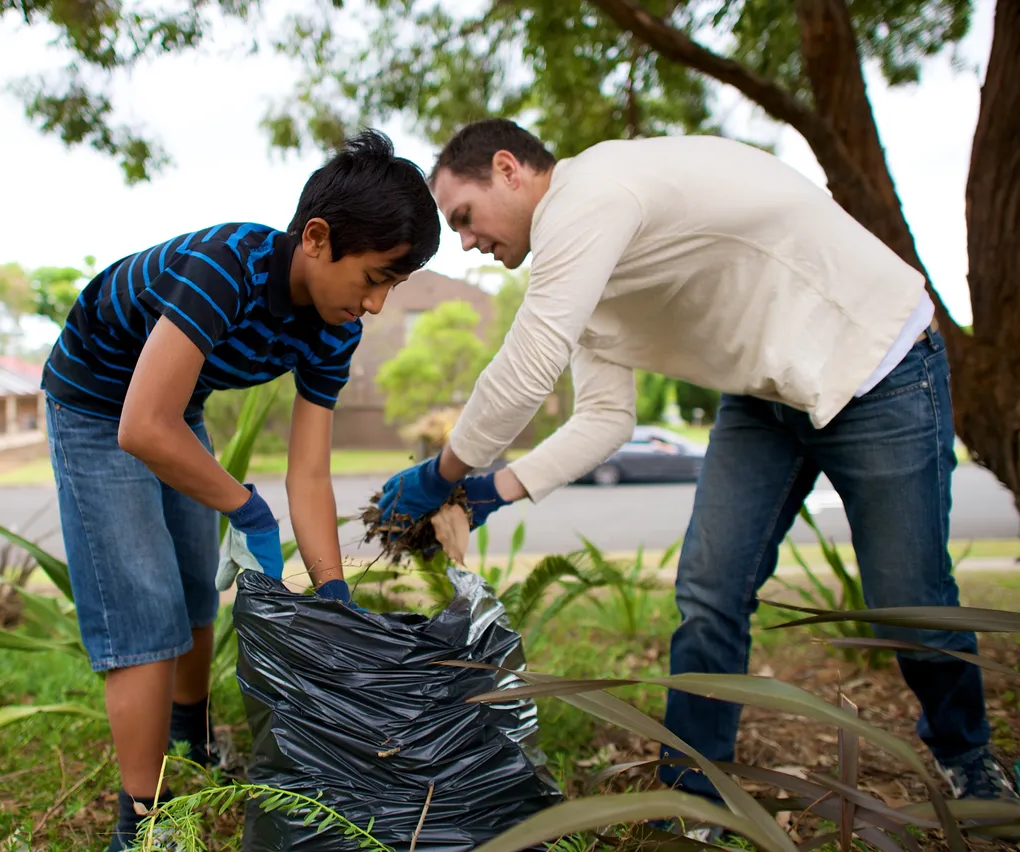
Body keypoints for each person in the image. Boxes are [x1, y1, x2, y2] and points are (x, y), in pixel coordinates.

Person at [376, 117, 1016, 839]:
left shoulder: (593, 194)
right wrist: (493, 490)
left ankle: (968, 756)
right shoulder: (583, 263)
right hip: (765, 394)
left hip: (876, 366)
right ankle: (694, 800)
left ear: (510, 169)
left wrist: (443, 472)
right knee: (709, 592)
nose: (465, 242)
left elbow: (529, 363)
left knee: (909, 602)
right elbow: (606, 420)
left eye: (464, 216)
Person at [42, 129, 440, 851]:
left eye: (394, 286)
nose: (377, 303)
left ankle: (193, 739)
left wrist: (331, 589)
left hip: (173, 407)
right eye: (376, 277)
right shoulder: (227, 267)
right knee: (144, 603)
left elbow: (309, 471)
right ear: (317, 238)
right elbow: (140, 427)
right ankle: (144, 821)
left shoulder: (334, 325)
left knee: (199, 584)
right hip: (98, 405)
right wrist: (245, 506)